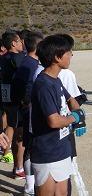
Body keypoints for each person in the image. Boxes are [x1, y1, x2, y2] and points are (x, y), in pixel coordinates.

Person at [30, 34, 86, 196]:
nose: (71, 55)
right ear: (57, 57)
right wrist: (74, 118)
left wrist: (79, 113)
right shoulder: (43, 84)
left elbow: (71, 99)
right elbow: (53, 121)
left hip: (61, 148)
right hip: (47, 151)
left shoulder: (56, 80)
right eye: (68, 52)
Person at [11, 31, 43, 188]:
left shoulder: (28, 62)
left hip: (27, 110)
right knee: (30, 146)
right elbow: (20, 89)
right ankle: (30, 185)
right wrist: (26, 102)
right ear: (38, 47)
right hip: (29, 111)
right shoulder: (29, 65)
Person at [0, 31, 25, 167]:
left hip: (5, 96)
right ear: (14, 44)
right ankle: (8, 154)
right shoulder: (16, 58)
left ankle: (6, 149)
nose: (22, 43)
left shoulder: (3, 57)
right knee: (16, 128)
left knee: (8, 121)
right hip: (15, 98)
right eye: (20, 41)